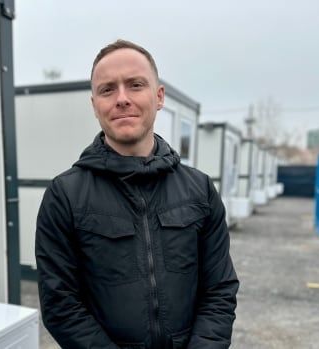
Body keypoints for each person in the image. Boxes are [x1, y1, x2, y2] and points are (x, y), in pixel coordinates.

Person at [35, 39, 239, 349]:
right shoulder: (65, 196)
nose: (121, 99)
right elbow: (60, 303)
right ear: (94, 105)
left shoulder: (200, 190)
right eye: (107, 90)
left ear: (158, 97)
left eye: (135, 85)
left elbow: (219, 289)